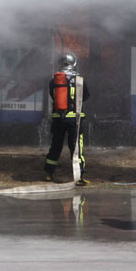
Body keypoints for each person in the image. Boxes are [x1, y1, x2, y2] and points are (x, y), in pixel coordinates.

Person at [44, 53, 90, 185]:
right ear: (74, 63)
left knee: (55, 146)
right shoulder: (79, 80)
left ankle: (48, 173)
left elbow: (54, 97)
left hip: (58, 119)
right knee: (76, 148)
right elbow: (85, 96)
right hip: (75, 120)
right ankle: (79, 176)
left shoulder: (54, 80)